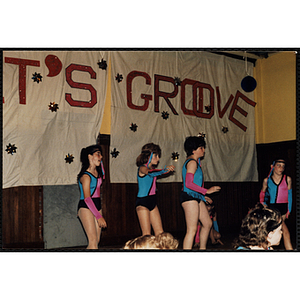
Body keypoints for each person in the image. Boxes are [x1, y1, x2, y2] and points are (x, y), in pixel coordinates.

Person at [180, 136, 221, 250]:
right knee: (192, 230)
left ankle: (202, 250)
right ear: (194, 150)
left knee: (207, 224)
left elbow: (195, 185)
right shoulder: (192, 163)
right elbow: (188, 183)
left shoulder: (195, 162)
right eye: (201, 148)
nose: (203, 150)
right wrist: (207, 191)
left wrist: (203, 196)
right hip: (189, 197)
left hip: (195, 197)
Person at [136, 143, 175, 236]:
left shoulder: (153, 168)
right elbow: (150, 173)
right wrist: (163, 170)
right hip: (142, 203)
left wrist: (163, 171)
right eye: (156, 155)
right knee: (146, 235)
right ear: (148, 156)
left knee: (160, 234)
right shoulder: (142, 168)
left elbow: (153, 172)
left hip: (152, 201)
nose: (158, 159)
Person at [77, 144, 107, 249]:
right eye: (98, 154)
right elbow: (87, 198)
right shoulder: (85, 176)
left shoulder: (97, 173)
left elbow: (102, 173)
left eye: (101, 154)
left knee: (95, 242)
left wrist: (100, 164)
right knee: (93, 242)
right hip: (86, 207)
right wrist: (99, 217)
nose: (101, 157)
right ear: (89, 156)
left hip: (97, 206)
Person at [259, 158, 293, 250]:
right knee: (283, 230)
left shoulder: (287, 179)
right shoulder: (267, 180)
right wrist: (263, 203)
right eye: (278, 165)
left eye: (283, 166)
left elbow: (290, 195)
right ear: (272, 166)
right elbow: (262, 192)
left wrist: (289, 210)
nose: (281, 168)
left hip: (283, 207)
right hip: (272, 208)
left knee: (278, 230)